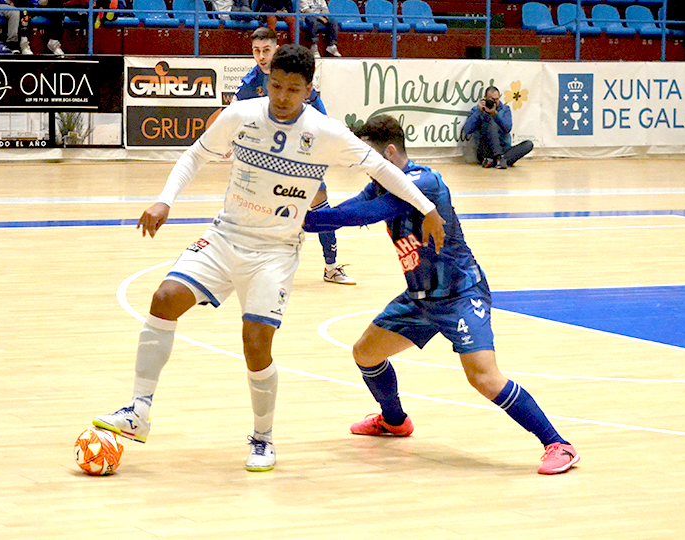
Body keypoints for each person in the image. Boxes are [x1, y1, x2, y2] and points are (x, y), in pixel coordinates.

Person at [93, 45, 446, 472]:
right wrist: (164, 200)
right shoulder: (242, 115)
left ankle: (263, 438)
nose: (282, 95)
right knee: (165, 297)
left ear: (308, 90)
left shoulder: (326, 131)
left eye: (293, 89)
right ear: (267, 81)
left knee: (255, 344)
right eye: (275, 85)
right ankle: (138, 410)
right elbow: (195, 155)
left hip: (275, 251)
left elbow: (384, 170)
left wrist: (427, 208)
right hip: (225, 235)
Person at [303, 114, 580, 475]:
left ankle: (558, 444)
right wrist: (305, 204)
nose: (366, 169)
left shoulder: (423, 182)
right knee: (366, 353)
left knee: (483, 376)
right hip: (420, 297)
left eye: (369, 159)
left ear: (389, 152)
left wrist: (312, 209)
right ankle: (394, 421)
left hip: (461, 293)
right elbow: (334, 216)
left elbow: (358, 215)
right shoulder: (379, 184)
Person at [235, 26, 355, 285]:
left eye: (266, 50)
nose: (261, 56)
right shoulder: (249, 84)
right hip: (269, 164)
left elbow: (321, 117)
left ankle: (331, 267)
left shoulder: (297, 77)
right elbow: (233, 118)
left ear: (276, 49)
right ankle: (256, 266)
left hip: (303, 158)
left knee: (321, 207)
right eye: (256, 51)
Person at [462, 86, 533, 170]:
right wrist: (479, 112)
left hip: (504, 149)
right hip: (485, 150)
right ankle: (499, 159)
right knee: (491, 122)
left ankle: (497, 160)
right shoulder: (477, 110)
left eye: (496, 99)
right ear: (485, 98)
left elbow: (507, 128)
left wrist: (495, 114)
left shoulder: (505, 109)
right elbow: (467, 130)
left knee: (528, 144)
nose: (494, 102)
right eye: (491, 99)